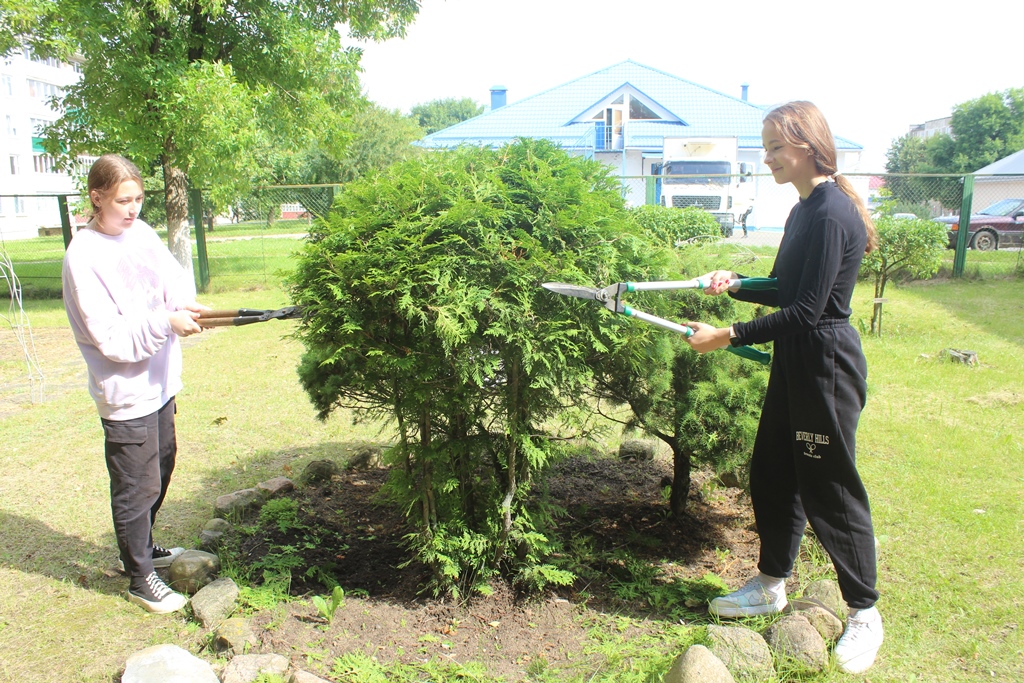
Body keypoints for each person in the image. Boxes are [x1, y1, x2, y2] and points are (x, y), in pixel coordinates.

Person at [684, 101, 883, 674]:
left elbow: (808, 310)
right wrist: (737, 285)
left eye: (775, 147)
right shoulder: (804, 210)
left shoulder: (829, 212)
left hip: (826, 364)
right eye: (766, 147)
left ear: (807, 146)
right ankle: (772, 582)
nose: (767, 157)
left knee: (829, 487)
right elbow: (785, 288)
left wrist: (728, 335)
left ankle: (865, 612)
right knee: (772, 470)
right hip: (797, 358)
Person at [62, 154, 206, 614]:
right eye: (123, 200)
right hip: (125, 394)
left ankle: (144, 546)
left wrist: (183, 306)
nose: (133, 209)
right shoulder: (82, 257)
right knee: (135, 486)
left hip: (160, 383)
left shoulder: (140, 233)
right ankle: (140, 576)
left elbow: (173, 279)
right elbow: (111, 339)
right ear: (97, 197)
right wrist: (166, 322)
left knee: (161, 469)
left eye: (139, 199)